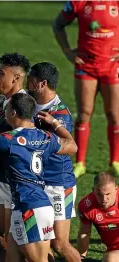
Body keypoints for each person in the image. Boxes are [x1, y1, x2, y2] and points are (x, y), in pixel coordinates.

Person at [0, 93, 78, 262]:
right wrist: (54, 123)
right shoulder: (45, 137)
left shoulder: (9, 138)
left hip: (28, 208)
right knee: (12, 256)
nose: (5, 112)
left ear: (13, 113)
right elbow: (72, 145)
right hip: (37, 205)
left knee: (37, 259)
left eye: (7, 109)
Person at [52, 1, 119, 177]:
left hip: (113, 66)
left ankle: (115, 162)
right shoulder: (79, 2)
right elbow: (58, 24)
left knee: (115, 115)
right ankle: (80, 163)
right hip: (86, 66)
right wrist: (67, 51)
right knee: (84, 114)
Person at [27, 62, 81, 262]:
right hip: (37, 182)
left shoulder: (60, 115)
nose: (27, 82)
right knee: (41, 240)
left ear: (42, 83)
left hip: (58, 184)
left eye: (31, 79)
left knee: (59, 243)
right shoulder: (29, 102)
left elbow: (61, 146)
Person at [0, 52, 30, 261]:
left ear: (16, 78)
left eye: (1, 74)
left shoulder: (25, 107)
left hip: (16, 185)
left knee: (22, 243)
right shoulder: (2, 102)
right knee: (3, 238)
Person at [77, 172, 119, 261]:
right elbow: (85, 233)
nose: (104, 199)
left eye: (108, 194)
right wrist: (81, 258)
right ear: (93, 190)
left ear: (116, 189)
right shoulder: (86, 206)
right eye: (100, 194)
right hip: (114, 251)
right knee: (109, 259)